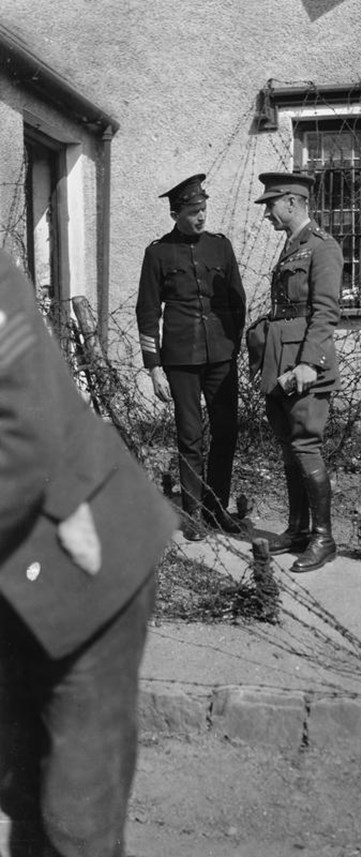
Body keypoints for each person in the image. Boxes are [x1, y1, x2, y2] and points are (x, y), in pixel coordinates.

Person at [0, 248, 178, 857]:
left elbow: (26, 438)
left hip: (84, 567)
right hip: (13, 581)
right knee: (16, 776)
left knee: (78, 806)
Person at [136, 173, 246, 541]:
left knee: (227, 431)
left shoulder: (220, 247)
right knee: (190, 436)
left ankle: (218, 510)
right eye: (194, 211)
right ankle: (195, 515)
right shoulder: (158, 253)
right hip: (180, 360)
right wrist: (154, 368)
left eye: (204, 209)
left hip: (220, 357)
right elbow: (147, 311)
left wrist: (233, 347)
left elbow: (236, 301)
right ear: (175, 214)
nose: (201, 217)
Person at [253, 172, 343, 573]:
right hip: (280, 362)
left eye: (270, 205)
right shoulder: (293, 247)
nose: (267, 214)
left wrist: (308, 362)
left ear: (291, 202)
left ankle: (323, 538)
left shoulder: (322, 248)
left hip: (304, 365)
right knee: (290, 445)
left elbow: (324, 313)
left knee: (305, 444)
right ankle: (298, 528)